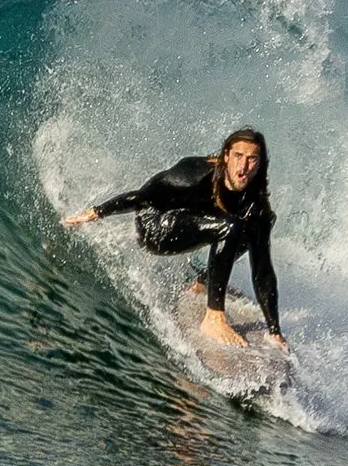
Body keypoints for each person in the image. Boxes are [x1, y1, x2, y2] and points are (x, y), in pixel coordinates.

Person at [63, 128, 286, 353]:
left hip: (192, 224)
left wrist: (274, 330)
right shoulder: (192, 176)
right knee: (231, 226)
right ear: (226, 156)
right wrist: (96, 212)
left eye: (252, 159)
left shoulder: (255, 204)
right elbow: (141, 197)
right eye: (238, 156)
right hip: (154, 228)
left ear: (260, 164)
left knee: (253, 224)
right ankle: (214, 317)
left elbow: (263, 270)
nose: (244, 167)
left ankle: (203, 281)